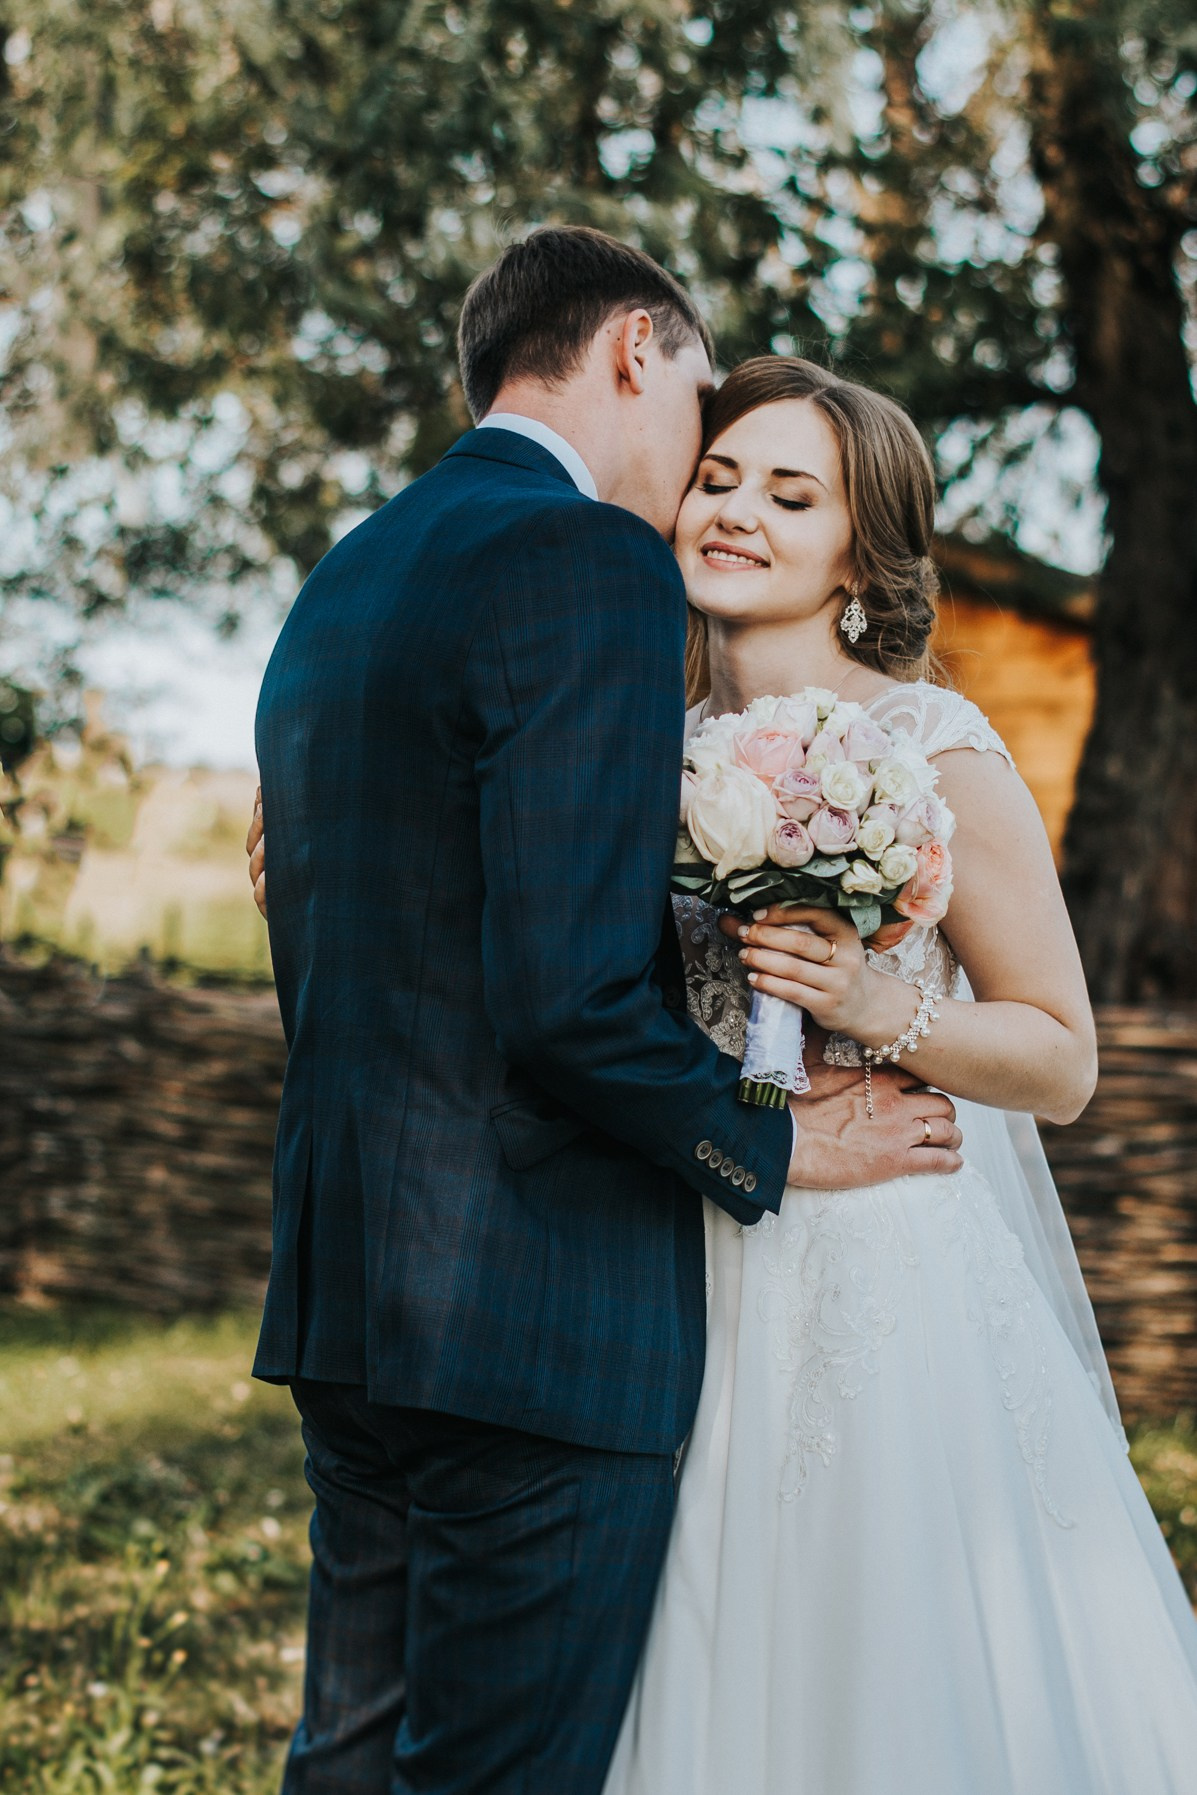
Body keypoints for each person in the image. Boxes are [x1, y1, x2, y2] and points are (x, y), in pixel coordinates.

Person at [248, 230, 960, 1794]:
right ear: (637, 348)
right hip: (532, 1309)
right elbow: (564, 998)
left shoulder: (353, 570)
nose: (703, 467)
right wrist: (768, 1146)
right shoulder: (584, 559)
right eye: (702, 404)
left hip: (349, 1293)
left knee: (347, 1760)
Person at [600, 356, 1197, 1794]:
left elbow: (1060, 1059)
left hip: (881, 1273)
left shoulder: (933, 750)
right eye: (717, 478)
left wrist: (874, 1001)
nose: (735, 512)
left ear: (859, 556)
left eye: (788, 495)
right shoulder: (630, 743)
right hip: (677, 1244)